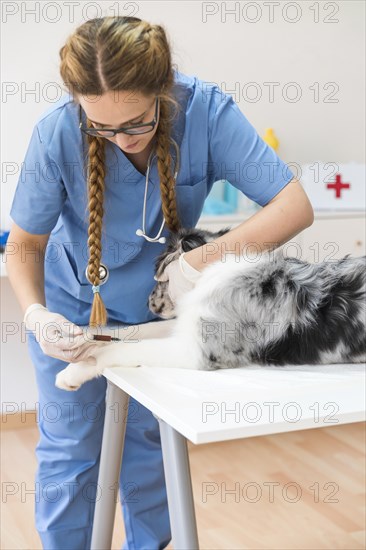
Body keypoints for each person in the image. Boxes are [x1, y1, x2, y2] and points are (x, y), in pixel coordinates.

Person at [6, 15, 314, 550]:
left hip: (158, 316)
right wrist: (36, 316)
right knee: (72, 446)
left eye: (135, 124)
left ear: (163, 91)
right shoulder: (56, 132)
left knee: (149, 446)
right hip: (75, 306)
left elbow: (294, 206)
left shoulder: (207, 112)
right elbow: (25, 244)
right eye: (100, 128)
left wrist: (201, 262)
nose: (119, 140)